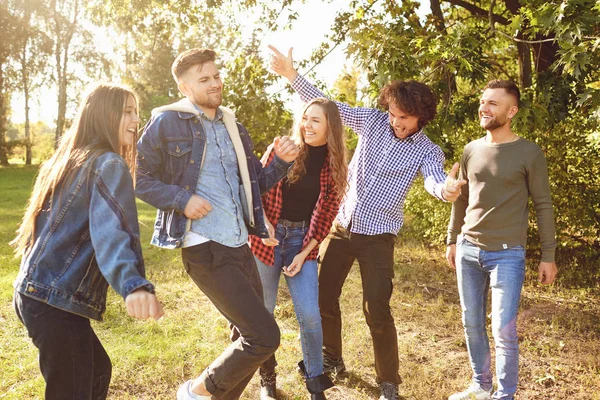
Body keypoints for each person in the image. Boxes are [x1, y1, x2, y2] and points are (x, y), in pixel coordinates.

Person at [268, 45, 466, 400]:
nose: (396, 121)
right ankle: (332, 360)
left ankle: (388, 381)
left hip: (378, 238)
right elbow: (328, 106)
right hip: (341, 230)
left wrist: (446, 190)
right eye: (393, 113)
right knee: (323, 299)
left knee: (377, 308)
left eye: (404, 117)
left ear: (421, 117)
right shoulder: (372, 122)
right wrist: (291, 76)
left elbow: (434, 180)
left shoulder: (428, 150)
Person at [135, 48, 299, 400]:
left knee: (247, 337)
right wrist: (182, 200)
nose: (215, 84)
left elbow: (253, 182)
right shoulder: (167, 122)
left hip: (239, 244)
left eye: (216, 76)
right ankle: (195, 391)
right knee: (265, 336)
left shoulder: (232, 125)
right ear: (184, 87)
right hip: (203, 247)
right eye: (204, 79)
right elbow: (137, 176)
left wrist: (282, 163)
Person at [11, 83, 164, 400]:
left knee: (96, 371)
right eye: (127, 112)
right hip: (54, 301)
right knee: (74, 388)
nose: (137, 120)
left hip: (34, 293)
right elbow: (112, 231)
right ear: (103, 116)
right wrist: (133, 283)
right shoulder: (108, 164)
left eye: (137, 111)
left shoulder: (70, 158)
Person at [445, 80, 558, 400]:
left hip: (507, 255)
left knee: (502, 331)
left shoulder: (529, 153)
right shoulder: (470, 150)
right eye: (483, 101)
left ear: (512, 111)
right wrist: (452, 239)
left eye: (493, 103)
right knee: (471, 322)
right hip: (468, 249)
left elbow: (543, 205)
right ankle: (480, 385)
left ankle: (504, 395)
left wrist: (547, 255)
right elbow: (461, 199)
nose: (484, 107)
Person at [250, 98, 347, 400]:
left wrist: (304, 254)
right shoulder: (284, 149)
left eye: (315, 120)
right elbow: (255, 190)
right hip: (267, 237)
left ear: (330, 126)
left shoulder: (334, 165)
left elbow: (328, 215)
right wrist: (263, 225)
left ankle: (315, 382)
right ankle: (267, 379)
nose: (307, 125)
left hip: (302, 241)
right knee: (263, 313)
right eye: (305, 118)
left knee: (310, 314)